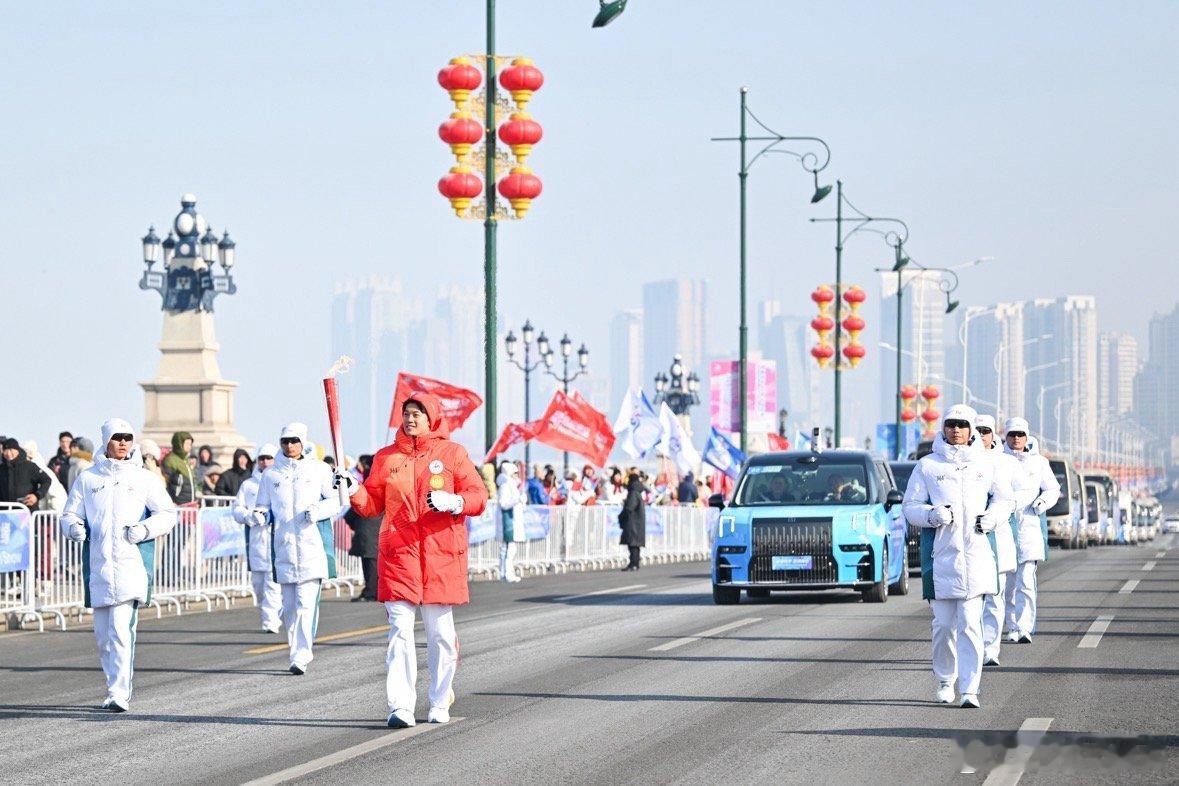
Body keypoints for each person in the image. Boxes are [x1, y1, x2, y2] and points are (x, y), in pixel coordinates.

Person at [340, 393, 488, 728]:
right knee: (400, 631)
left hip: (440, 555)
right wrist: (352, 489)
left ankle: (439, 699)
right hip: (400, 554)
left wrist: (454, 501)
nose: (410, 419)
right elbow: (372, 504)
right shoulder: (387, 458)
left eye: (417, 413)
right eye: (406, 413)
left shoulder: (452, 454)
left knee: (440, 634)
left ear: (431, 417)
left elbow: (479, 496)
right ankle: (401, 706)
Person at [60, 418, 177, 712]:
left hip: (130, 565)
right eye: (117, 437)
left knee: (121, 630)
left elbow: (167, 514)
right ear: (106, 441)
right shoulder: (88, 479)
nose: (123, 442)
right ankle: (112, 685)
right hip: (99, 567)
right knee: (103, 637)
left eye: (128, 437)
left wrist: (144, 530)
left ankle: (119, 692)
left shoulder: (143, 478)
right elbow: (69, 514)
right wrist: (73, 527)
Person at [902, 405, 1011, 709]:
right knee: (943, 626)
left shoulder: (986, 464)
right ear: (944, 428)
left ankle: (970, 689)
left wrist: (992, 518)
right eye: (951, 425)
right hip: (941, 559)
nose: (956, 430)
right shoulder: (928, 466)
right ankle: (945, 679)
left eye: (962, 425)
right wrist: (933, 514)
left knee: (970, 624)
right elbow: (910, 506)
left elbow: (1005, 500)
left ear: (971, 429)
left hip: (976, 556)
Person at [251, 423, 341, 675]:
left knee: (305, 604)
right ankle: (295, 649)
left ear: (302, 442)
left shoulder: (319, 470)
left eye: (293, 441)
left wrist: (318, 511)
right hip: (284, 548)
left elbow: (335, 501)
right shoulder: (271, 475)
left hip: (312, 546)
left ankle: (301, 655)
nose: (289, 446)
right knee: (289, 608)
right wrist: (259, 515)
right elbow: (263, 505)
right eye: (285, 441)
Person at [1002, 417, 1060, 644]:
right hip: (1004, 528)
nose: (1016, 439)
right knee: (1007, 585)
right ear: (1005, 437)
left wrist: (1042, 503)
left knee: (1025, 580)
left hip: (1029, 528)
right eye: (1012, 435)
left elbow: (1053, 489)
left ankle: (1025, 627)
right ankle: (1011, 626)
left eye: (1020, 435)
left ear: (1027, 437)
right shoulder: (998, 461)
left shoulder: (1038, 463)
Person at [975, 415, 1018, 666]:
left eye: (986, 431)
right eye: (977, 430)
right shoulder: (966, 462)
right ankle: (973, 647)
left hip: (998, 538)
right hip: (970, 542)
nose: (981, 435)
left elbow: (1015, 496)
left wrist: (997, 514)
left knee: (994, 597)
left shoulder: (1006, 463)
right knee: (971, 602)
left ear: (994, 434)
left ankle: (991, 649)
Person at [232, 443, 282, 632]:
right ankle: (274, 611)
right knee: (259, 587)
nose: (265, 462)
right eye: (262, 459)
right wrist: (249, 516)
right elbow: (237, 509)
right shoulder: (248, 485)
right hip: (255, 542)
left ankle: (270, 622)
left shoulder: (279, 481)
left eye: (269, 458)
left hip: (276, 540)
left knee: (272, 584)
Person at [344, 454, 381, 602]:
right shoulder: (379, 478)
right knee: (372, 562)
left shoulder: (371, 480)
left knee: (370, 563)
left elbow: (359, 503)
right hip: (372, 527)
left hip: (368, 526)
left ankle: (371, 592)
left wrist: (351, 520)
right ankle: (372, 591)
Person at [0, 438, 51, 510]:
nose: (8, 453)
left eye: (11, 450)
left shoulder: (29, 466)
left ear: (17, 450)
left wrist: (37, 495)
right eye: (6, 450)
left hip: (27, 512)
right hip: (5, 514)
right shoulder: (1, 469)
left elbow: (47, 480)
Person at [496, 461, 525, 582]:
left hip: (512, 520)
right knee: (509, 549)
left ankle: (505, 573)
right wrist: (517, 499)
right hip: (508, 521)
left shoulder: (512, 485)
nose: (517, 475)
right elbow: (504, 504)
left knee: (507, 549)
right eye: (515, 473)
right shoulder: (505, 485)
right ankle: (507, 574)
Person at [619, 471, 646, 571]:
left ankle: (633, 564)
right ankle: (635, 563)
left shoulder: (633, 493)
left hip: (633, 523)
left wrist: (622, 516)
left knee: (633, 544)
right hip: (637, 523)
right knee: (635, 545)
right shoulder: (638, 492)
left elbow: (630, 507)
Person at [162, 431, 195, 505]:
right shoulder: (171, 460)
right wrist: (171, 501)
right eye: (187, 444)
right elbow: (166, 483)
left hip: (189, 504)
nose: (189, 447)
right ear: (179, 444)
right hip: (177, 505)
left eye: (190, 444)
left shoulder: (185, 461)